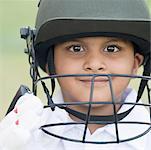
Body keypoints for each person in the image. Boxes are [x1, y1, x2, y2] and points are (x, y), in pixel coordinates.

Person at [0, 0, 150, 150]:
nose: (94, 64)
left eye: (112, 49)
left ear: (135, 63)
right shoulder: (24, 135)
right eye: (76, 48)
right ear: (50, 63)